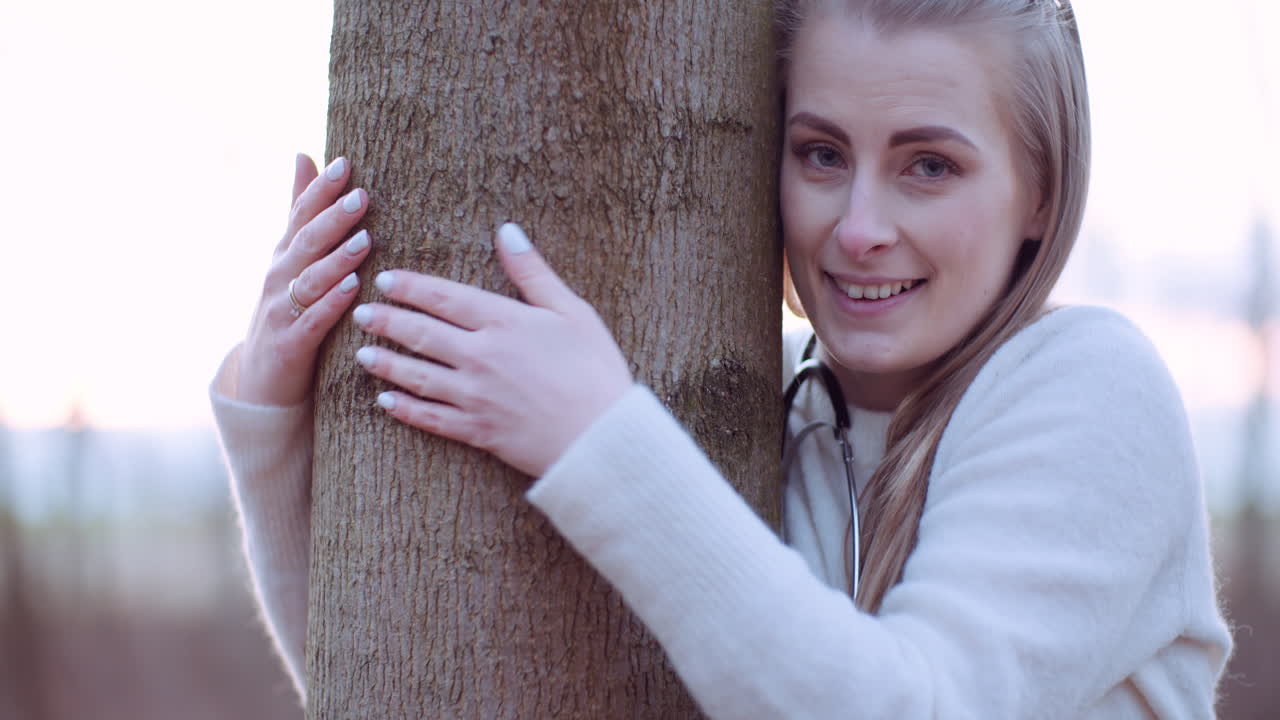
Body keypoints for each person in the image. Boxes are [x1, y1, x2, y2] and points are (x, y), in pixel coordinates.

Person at [211, 0, 1233, 716]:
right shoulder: (765, 410)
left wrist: (597, 437)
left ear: (1040, 192)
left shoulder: (1093, 388)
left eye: (928, 165)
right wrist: (272, 426)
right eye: (821, 153)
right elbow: (411, 688)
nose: (858, 228)